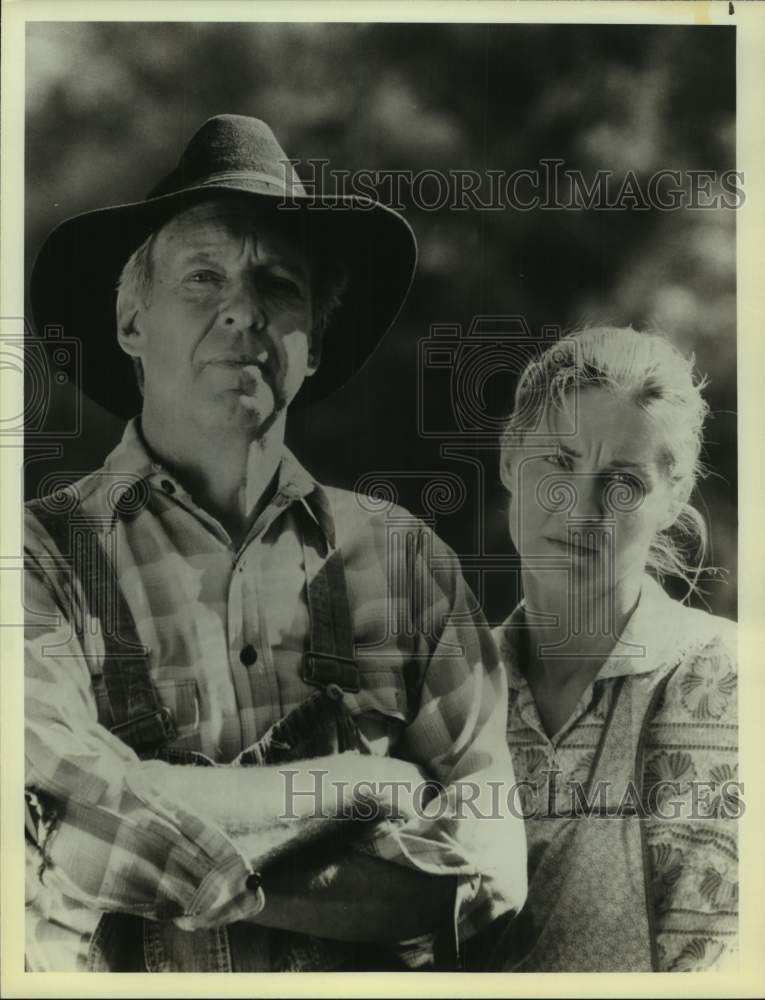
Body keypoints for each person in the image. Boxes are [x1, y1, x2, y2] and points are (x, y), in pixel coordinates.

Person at [24, 114, 526, 973]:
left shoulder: (407, 564)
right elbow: (55, 815)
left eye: (278, 283)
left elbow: (485, 874)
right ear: (129, 320)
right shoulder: (36, 559)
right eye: (202, 277)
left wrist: (154, 848)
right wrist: (358, 789)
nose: (243, 311)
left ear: (314, 341)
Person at [470, 326, 738, 972]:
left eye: (621, 483)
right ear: (509, 457)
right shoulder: (453, 688)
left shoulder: (725, 681)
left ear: (672, 498)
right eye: (558, 463)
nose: (580, 509)